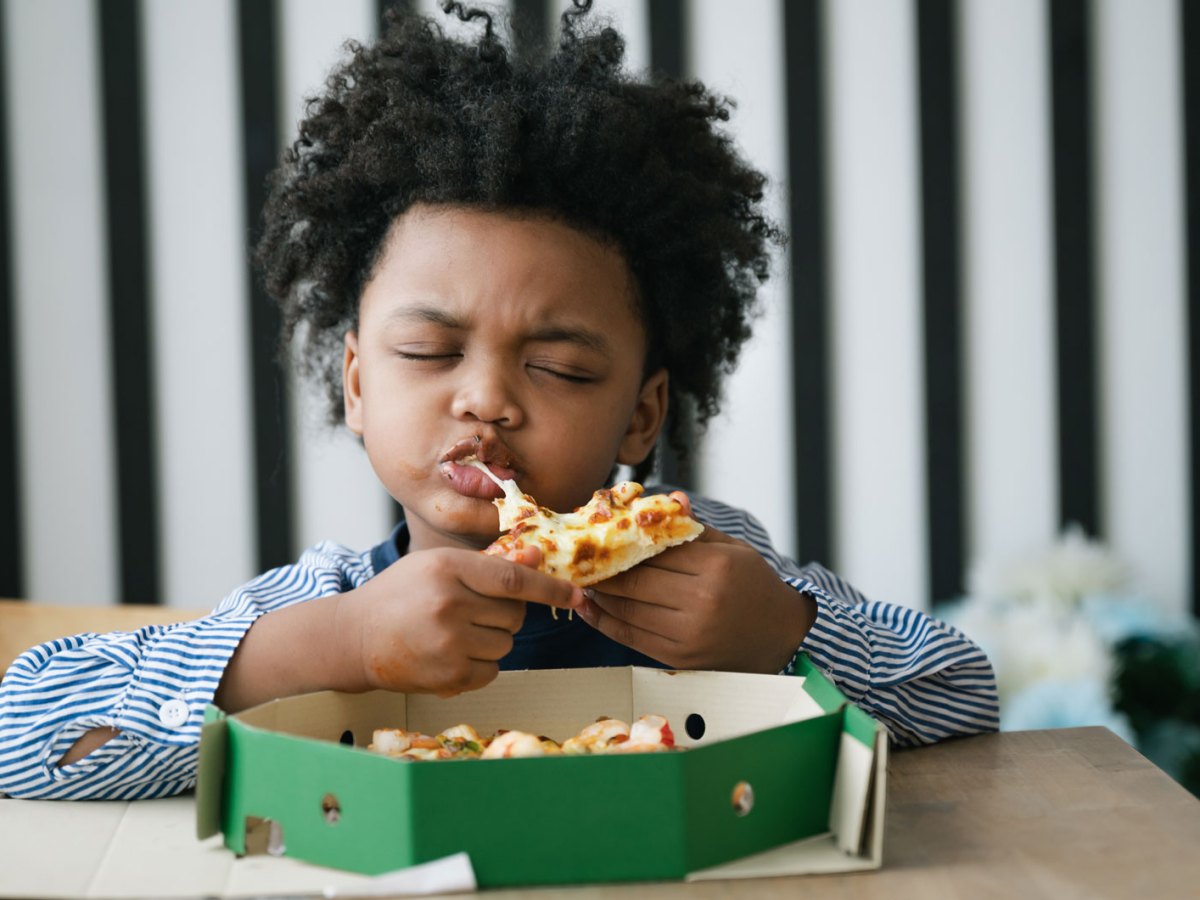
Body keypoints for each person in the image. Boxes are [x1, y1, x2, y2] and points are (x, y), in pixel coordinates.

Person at [0, 0, 997, 801]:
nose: (485, 400)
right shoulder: (315, 610)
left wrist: (786, 633)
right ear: (355, 382)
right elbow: (23, 734)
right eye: (429, 352)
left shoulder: (719, 566)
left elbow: (965, 691)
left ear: (644, 415)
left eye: (560, 368)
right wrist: (326, 651)